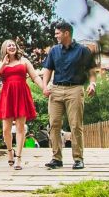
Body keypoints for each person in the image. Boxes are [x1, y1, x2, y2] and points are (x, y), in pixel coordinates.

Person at [41, 21, 97, 170]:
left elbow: (91, 71)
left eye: (58, 33)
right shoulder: (53, 50)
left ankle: (78, 159)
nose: (55, 36)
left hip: (75, 90)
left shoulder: (83, 51)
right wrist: (45, 85)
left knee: (75, 125)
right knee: (54, 124)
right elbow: (47, 69)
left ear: (66, 33)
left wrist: (92, 84)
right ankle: (56, 158)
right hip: (56, 89)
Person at [0, 39, 46, 170]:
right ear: (4, 48)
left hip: (21, 94)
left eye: (13, 45)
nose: (12, 47)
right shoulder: (1, 63)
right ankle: (10, 152)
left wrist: (44, 88)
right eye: (9, 45)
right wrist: (3, 64)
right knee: (5, 130)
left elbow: (35, 77)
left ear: (16, 47)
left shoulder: (24, 61)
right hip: (7, 95)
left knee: (21, 128)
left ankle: (19, 159)